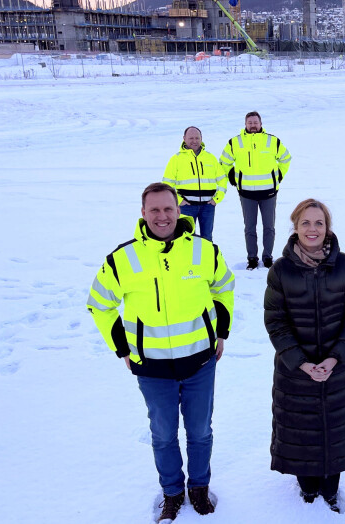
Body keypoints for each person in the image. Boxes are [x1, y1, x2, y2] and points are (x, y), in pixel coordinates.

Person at [86, 182, 234, 522]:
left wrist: (220, 331)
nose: (162, 216)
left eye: (168, 209)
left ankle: (199, 488)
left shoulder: (203, 251)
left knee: (200, 432)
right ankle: (171, 492)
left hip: (200, 362)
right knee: (164, 434)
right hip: (151, 368)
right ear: (143, 213)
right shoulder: (123, 259)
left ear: (178, 209)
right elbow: (100, 304)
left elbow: (224, 286)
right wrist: (122, 347)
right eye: (154, 210)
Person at [263, 198, 345, 513]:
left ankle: (332, 488)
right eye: (305, 222)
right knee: (300, 430)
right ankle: (307, 489)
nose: (312, 229)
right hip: (295, 370)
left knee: (335, 426)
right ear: (295, 227)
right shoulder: (281, 271)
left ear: (327, 227)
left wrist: (336, 358)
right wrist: (302, 363)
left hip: (336, 368)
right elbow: (275, 321)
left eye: (318, 223)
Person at [220, 111, 292, 270]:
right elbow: (224, 161)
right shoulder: (235, 142)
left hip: (269, 193)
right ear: (245, 124)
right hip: (246, 194)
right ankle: (252, 258)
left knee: (269, 227)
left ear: (261, 124)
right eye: (250, 122)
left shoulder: (272, 141)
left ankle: (267, 258)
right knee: (250, 228)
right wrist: (231, 175)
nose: (253, 125)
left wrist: (277, 176)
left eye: (255, 122)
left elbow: (286, 158)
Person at [162, 126, 228, 241]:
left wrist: (217, 198)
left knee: (207, 238)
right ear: (184, 139)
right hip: (186, 207)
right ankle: (188, 260)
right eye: (191, 138)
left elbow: (222, 179)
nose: (194, 141)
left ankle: (206, 259)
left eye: (197, 138)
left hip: (208, 206)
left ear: (201, 139)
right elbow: (167, 184)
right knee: (187, 239)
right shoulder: (176, 159)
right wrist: (178, 200)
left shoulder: (210, 158)